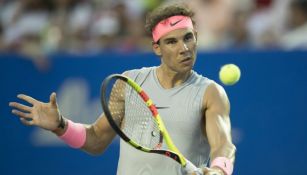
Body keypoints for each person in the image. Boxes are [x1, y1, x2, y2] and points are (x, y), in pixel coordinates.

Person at [9, 2, 236, 175]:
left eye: (188, 38)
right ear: (157, 48)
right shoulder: (129, 84)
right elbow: (96, 139)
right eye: (172, 42)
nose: (184, 48)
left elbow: (224, 145)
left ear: (196, 38)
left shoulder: (210, 93)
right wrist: (61, 126)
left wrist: (219, 170)